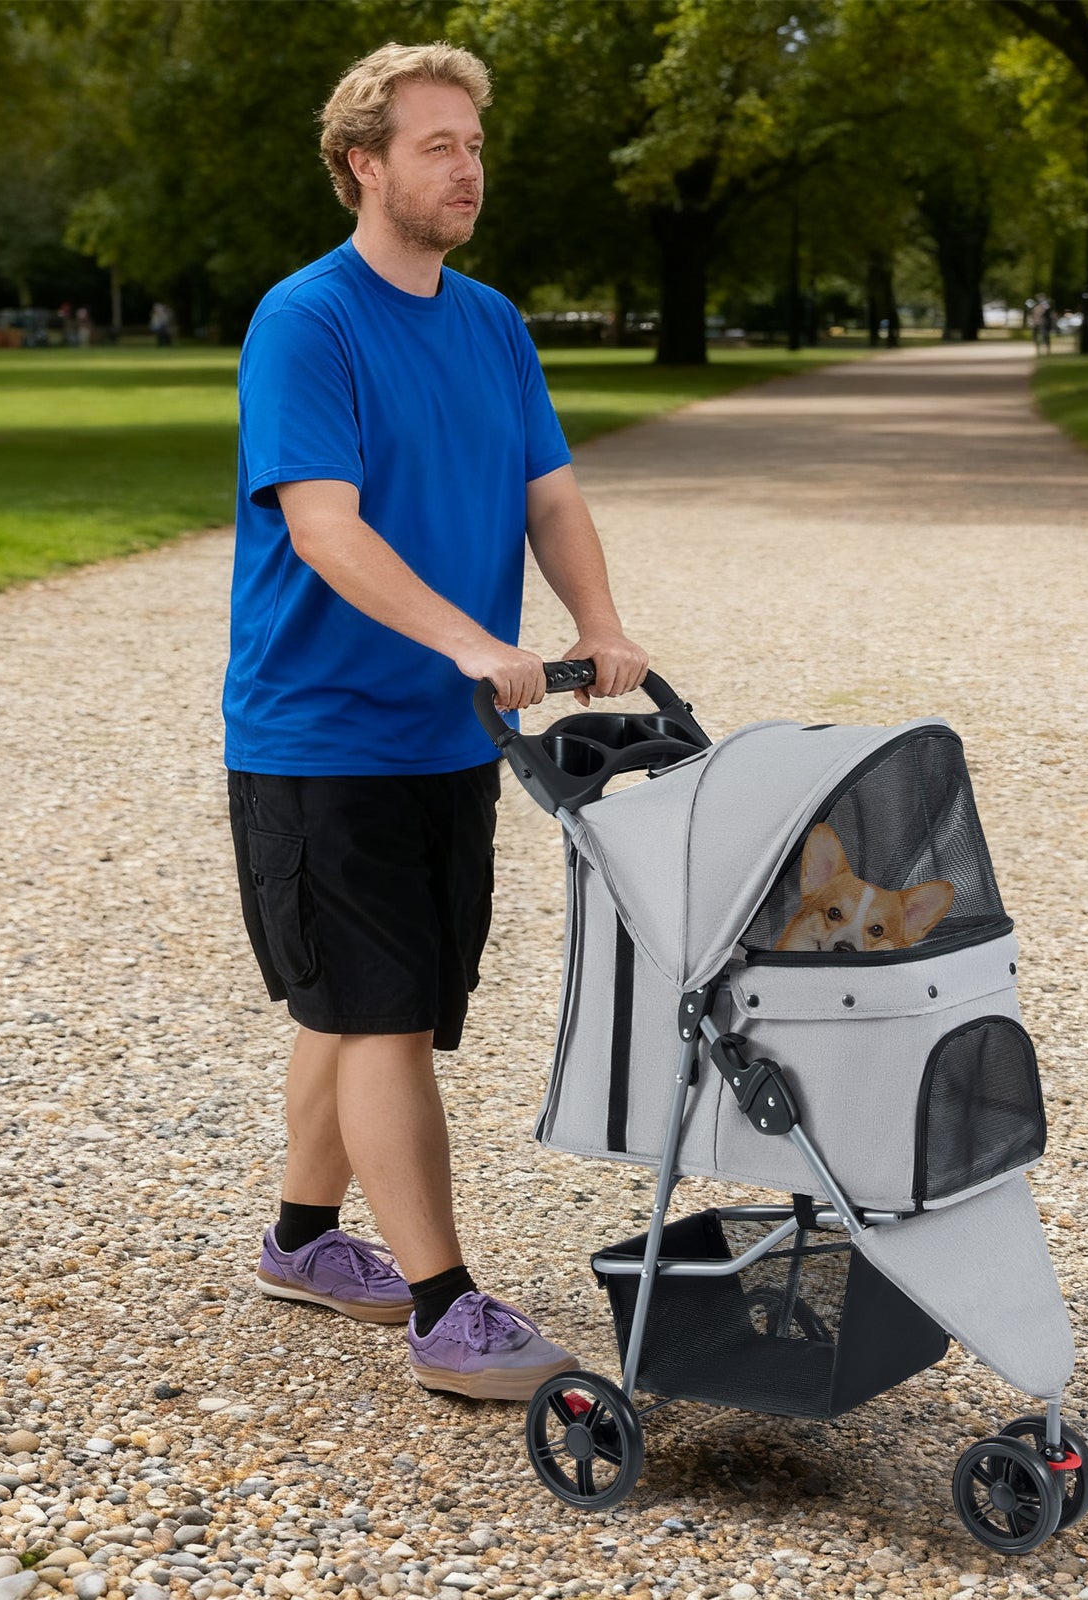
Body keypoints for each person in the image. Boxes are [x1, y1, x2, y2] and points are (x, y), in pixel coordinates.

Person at [222, 40, 649, 1402]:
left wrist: (597, 622)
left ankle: (302, 1241)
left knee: (364, 1003)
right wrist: (472, 638)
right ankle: (443, 1307)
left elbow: (550, 493)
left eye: (474, 146)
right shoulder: (308, 321)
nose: (467, 170)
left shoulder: (492, 322)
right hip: (324, 733)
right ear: (363, 163)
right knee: (385, 1012)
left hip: (453, 735)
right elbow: (324, 526)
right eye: (436, 147)